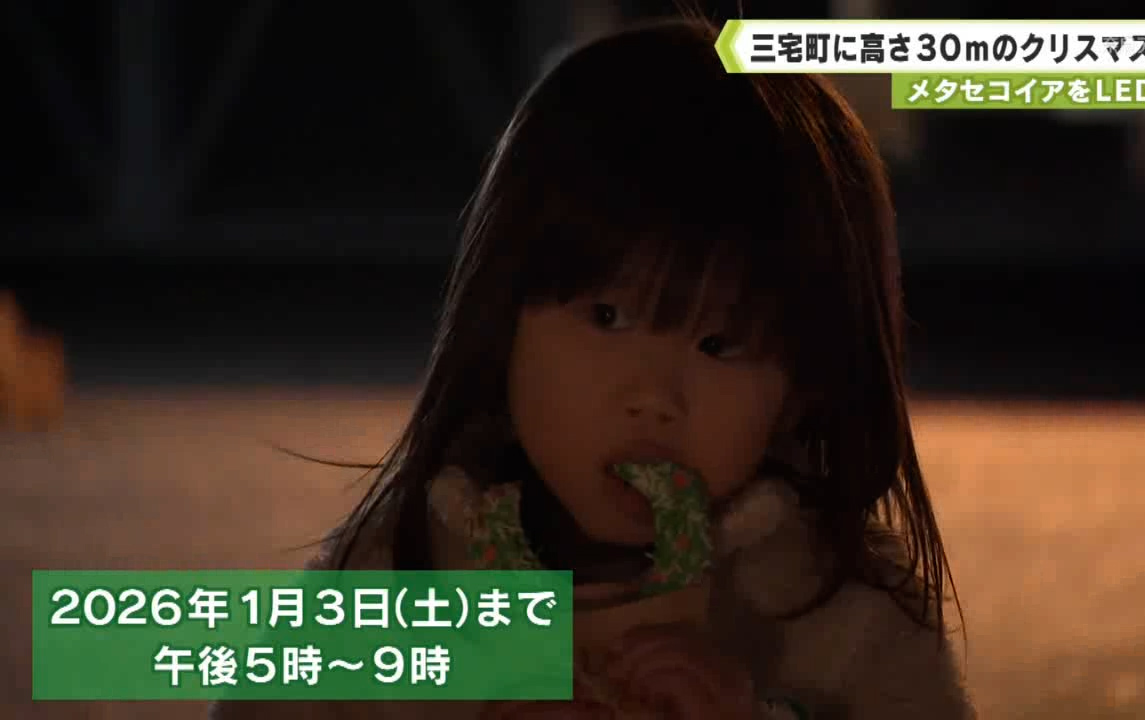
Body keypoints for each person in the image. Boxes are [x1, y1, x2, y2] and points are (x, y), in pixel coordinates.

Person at [210, 14, 974, 720]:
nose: (653, 396)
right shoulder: (395, 573)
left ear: (804, 385)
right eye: (606, 316)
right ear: (503, 318)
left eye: (719, 346)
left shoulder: (840, 613)